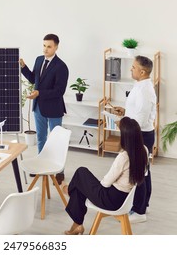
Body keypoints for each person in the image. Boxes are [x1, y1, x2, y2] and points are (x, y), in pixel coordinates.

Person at [61, 117, 148, 235]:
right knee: (80, 186)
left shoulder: (124, 157)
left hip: (110, 200)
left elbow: (105, 183)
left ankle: (69, 191)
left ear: (125, 137)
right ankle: (77, 226)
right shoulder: (144, 150)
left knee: (81, 172)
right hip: (125, 198)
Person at [19, 33, 69, 183]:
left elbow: (59, 91)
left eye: (49, 46)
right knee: (41, 138)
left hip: (54, 108)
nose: (45, 49)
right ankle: (41, 166)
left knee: (56, 141)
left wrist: (39, 92)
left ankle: (59, 171)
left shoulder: (61, 67)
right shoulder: (39, 60)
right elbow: (34, 78)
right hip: (39, 106)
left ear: (56, 47)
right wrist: (23, 67)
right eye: (44, 45)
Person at [113, 55, 156, 223]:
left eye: (133, 67)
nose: (131, 69)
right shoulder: (140, 85)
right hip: (140, 133)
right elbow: (137, 111)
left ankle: (139, 212)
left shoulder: (145, 90)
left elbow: (142, 119)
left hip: (141, 135)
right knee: (144, 171)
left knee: (139, 172)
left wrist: (123, 124)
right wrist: (124, 112)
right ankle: (144, 203)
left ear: (142, 71)